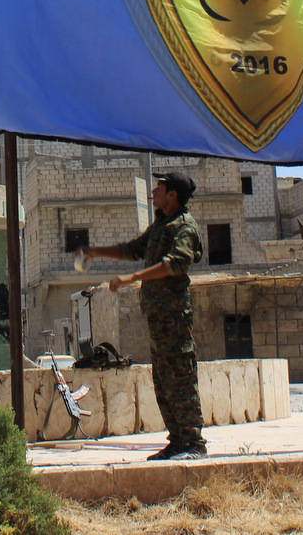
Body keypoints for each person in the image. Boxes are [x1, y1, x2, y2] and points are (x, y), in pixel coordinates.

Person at [77, 172, 205, 460]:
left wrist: (133, 277)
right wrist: (95, 252)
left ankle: (194, 444)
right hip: (158, 316)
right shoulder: (161, 224)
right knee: (163, 381)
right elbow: (133, 249)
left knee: (180, 377)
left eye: (159, 188)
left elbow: (176, 264)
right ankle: (178, 442)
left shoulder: (184, 226)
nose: (154, 192)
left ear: (172, 194)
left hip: (174, 315)